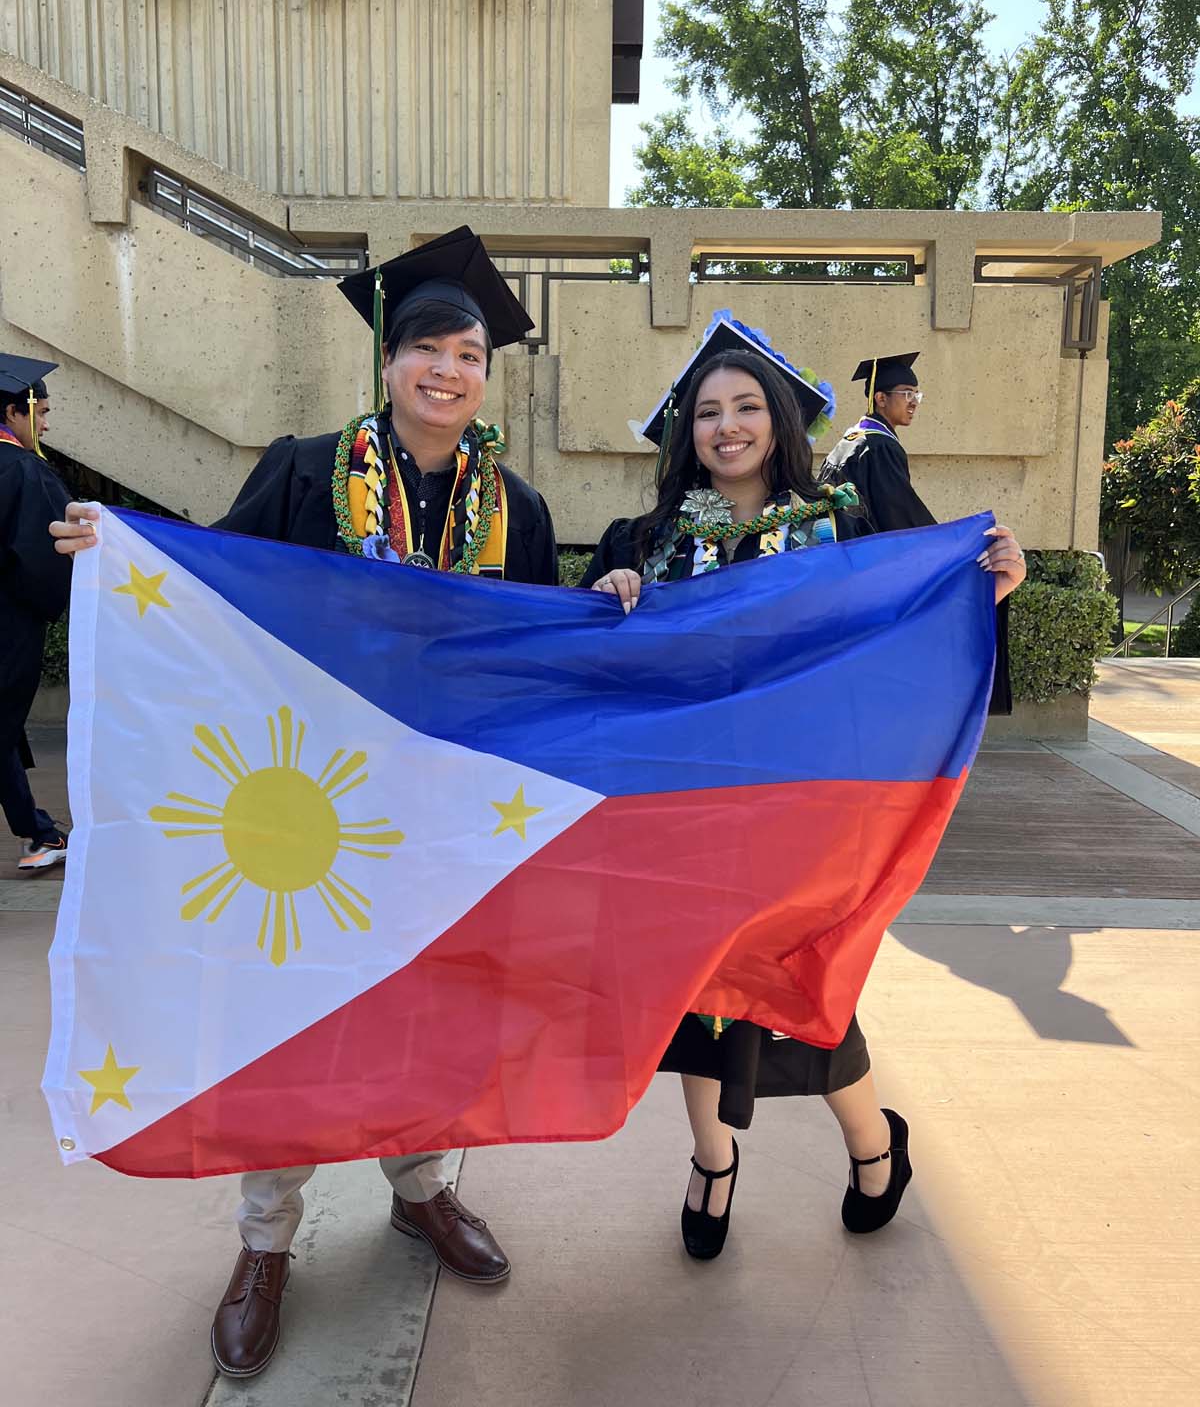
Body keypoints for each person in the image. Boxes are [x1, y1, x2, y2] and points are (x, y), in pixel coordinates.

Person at [51, 226, 558, 1378]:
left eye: (469, 352)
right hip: (306, 813)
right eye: (426, 345)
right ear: (387, 362)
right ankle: (267, 1241)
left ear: (488, 376)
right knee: (291, 1015)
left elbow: (539, 652)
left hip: (442, 816)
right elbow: (208, 584)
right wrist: (119, 549)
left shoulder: (515, 510)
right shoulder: (302, 469)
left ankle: (421, 1188)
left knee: (430, 1009)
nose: (448, 368)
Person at [582, 313, 1025, 1260]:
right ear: (685, 431)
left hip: (800, 814)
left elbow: (912, 613)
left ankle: (873, 1145)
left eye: (747, 406)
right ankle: (712, 1160)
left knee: (805, 985)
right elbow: (593, 660)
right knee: (694, 994)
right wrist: (610, 584)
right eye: (707, 412)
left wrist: (989, 585)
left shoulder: (840, 531)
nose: (727, 426)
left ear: (780, 420)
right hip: (683, 812)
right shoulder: (650, 536)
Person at [0, 354, 72, 873]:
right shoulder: (24, 471)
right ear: (13, 411)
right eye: (40, 412)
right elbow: (46, 558)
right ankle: (39, 833)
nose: (44, 424)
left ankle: (37, 831)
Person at [820, 352, 935, 530]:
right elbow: (899, 515)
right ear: (881, 398)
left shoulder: (851, 441)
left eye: (916, 395)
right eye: (907, 394)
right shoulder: (879, 447)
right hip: (867, 551)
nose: (914, 402)